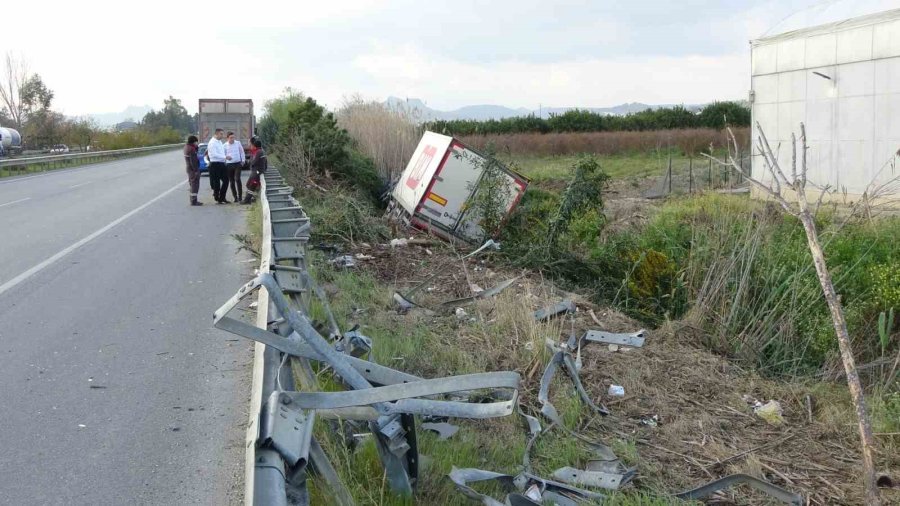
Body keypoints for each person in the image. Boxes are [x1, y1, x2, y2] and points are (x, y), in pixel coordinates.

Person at [241, 138, 268, 204]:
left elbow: (254, 162)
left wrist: (250, 163)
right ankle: (250, 198)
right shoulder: (261, 151)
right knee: (249, 185)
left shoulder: (258, 152)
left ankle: (247, 200)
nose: (251, 146)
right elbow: (266, 162)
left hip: (256, 172)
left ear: (255, 146)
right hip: (258, 171)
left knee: (251, 185)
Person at [206, 128, 229, 204]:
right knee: (217, 182)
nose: (222, 135)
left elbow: (221, 152)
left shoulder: (219, 142)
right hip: (215, 164)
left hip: (222, 163)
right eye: (221, 134)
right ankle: (217, 197)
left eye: (222, 134)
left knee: (226, 180)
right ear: (216, 134)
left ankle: (222, 197)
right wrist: (225, 157)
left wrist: (225, 157)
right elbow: (213, 154)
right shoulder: (212, 143)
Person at [224, 131, 246, 203]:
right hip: (229, 165)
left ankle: (240, 197)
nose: (232, 139)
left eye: (233, 137)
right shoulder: (224, 145)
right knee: (232, 181)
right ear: (227, 138)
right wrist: (226, 158)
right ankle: (235, 197)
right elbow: (223, 155)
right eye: (231, 138)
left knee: (237, 179)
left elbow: (242, 152)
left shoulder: (238, 143)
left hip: (237, 164)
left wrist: (243, 161)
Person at [183, 135, 203, 206]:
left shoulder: (186, 147)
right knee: (195, 185)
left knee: (192, 184)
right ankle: (194, 201)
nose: (197, 143)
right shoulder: (191, 149)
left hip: (189, 168)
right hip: (193, 169)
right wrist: (196, 171)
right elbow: (193, 161)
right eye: (196, 142)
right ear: (194, 142)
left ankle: (193, 200)